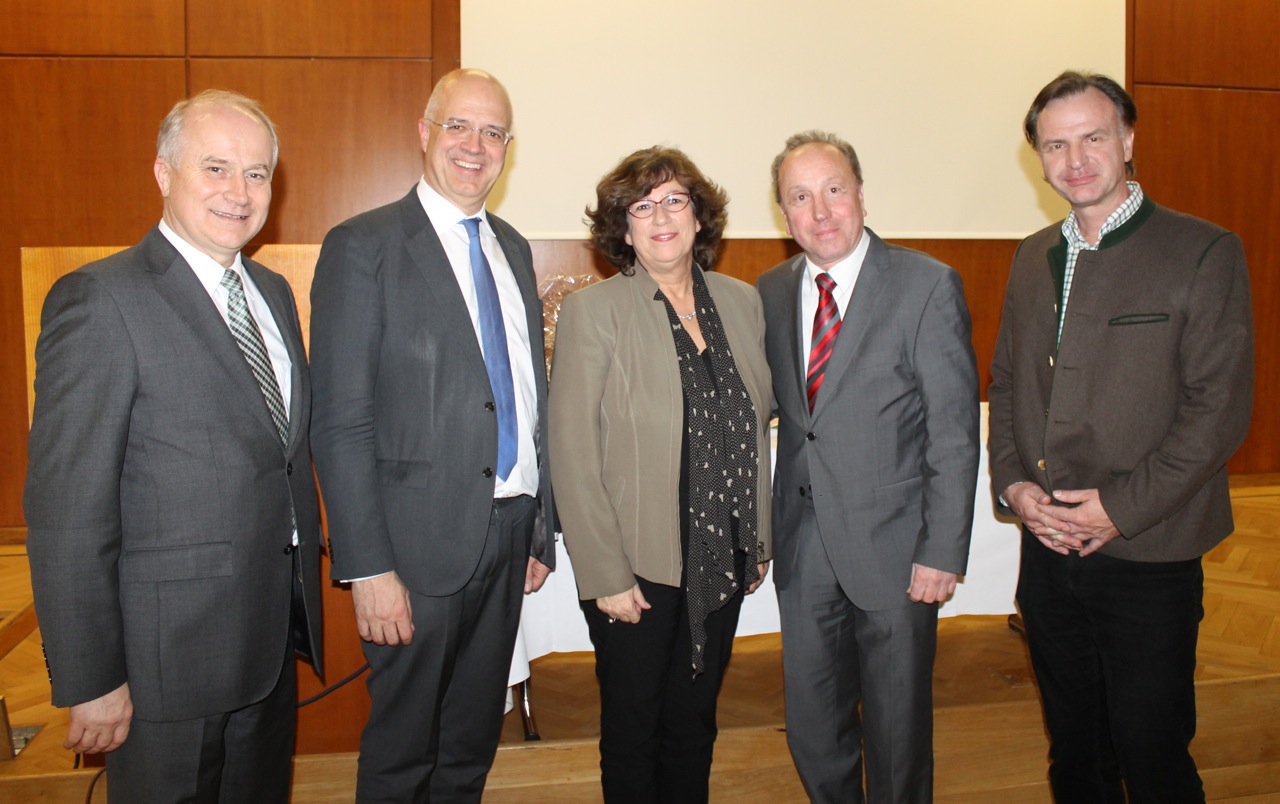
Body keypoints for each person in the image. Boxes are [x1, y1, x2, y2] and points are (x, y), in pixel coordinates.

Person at [24, 89, 324, 802]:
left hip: (268, 641)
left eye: (256, 174)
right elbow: (67, 512)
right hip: (164, 664)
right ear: (164, 174)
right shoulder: (101, 300)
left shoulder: (274, 293)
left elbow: (278, 456)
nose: (238, 192)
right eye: (215, 168)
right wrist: (92, 677)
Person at [988, 71, 1254, 803]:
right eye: (1056, 145)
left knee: (1152, 751)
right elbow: (1007, 383)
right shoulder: (1032, 255)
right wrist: (1014, 486)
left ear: (1128, 140)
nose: (1075, 160)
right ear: (1038, 158)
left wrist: (1118, 508)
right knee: (1075, 751)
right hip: (1048, 554)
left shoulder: (1203, 251)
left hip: (1150, 552)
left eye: (1093, 138)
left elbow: (1218, 411)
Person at [309, 68, 555, 802]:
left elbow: (527, 400)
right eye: (459, 126)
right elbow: (340, 420)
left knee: (471, 741)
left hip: (509, 535)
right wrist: (368, 568)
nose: (476, 146)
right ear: (424, 133)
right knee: (404, 750)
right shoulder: (364, 246)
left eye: (493, 132)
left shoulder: (513, 249)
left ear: (509, 147)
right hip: (413, 551)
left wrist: (538, 528)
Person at [756, 131, 979, 803]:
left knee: (896, 730)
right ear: (783, 214)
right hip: (803, 548)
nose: (821, 211)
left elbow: (953, 433)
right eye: (800, 197)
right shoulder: (769, 292)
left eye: (834, 190)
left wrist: (941, 551)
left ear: (860, 194)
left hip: (897, 549)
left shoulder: (925, 285)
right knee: (814, 726)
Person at [550, 147, 773, 803]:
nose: (662, 217)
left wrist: (755, 537)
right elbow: (571, 451)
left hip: (722, 554)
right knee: (634, 729)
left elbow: (755, 430)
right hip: (637, 564)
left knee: (694, 722)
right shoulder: (594, 312)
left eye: (675, 200)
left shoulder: (742, 302)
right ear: (622, 230)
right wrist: (606, 575)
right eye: (642, 207)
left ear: (699, 217)